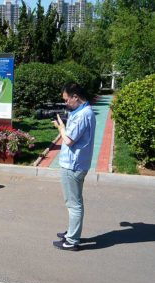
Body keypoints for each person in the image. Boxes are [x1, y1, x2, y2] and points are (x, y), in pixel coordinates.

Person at [52, 83, 96, 251]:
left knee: (74, 204)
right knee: (73, 202)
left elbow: (69, 140)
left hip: (73, 165)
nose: (65, 103)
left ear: (75, 96)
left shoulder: (83, 115)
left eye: (66, 99)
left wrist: (61, 128)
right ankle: (72, 232)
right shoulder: (83, 112)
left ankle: (72, 241)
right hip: (76, 163)